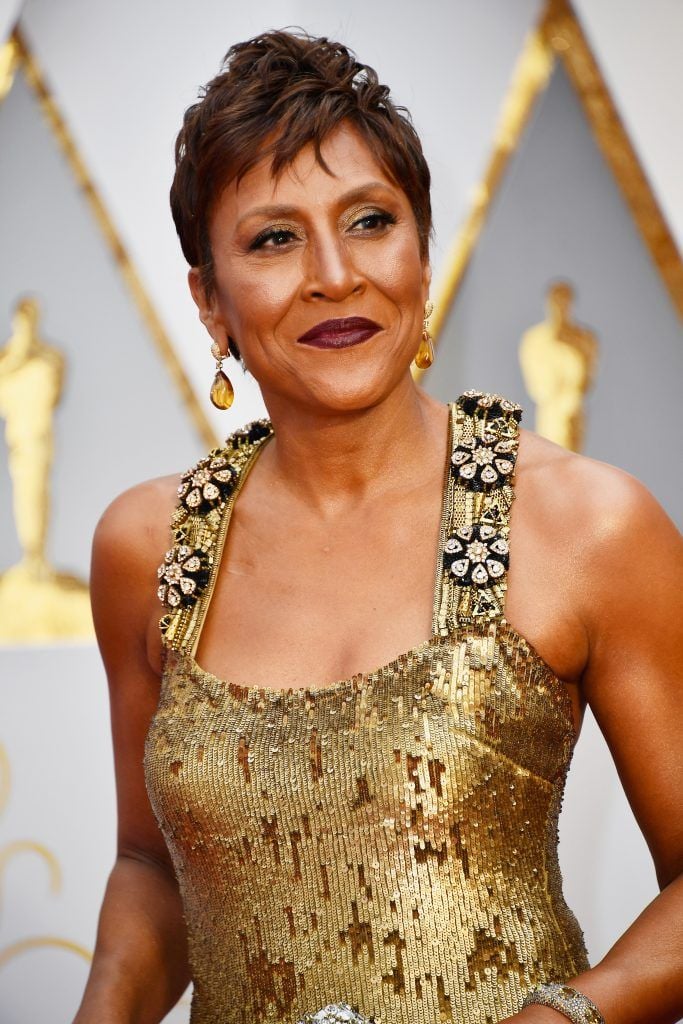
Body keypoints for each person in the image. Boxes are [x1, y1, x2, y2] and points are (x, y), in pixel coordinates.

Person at [73, 28, 683, 1024]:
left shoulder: (586, 525)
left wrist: (559, 1018)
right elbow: (152, 865)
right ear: (210, 303)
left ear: (420, 253)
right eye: (273, 237)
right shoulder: (150, 545)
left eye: (368, 220)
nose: (333, 274)